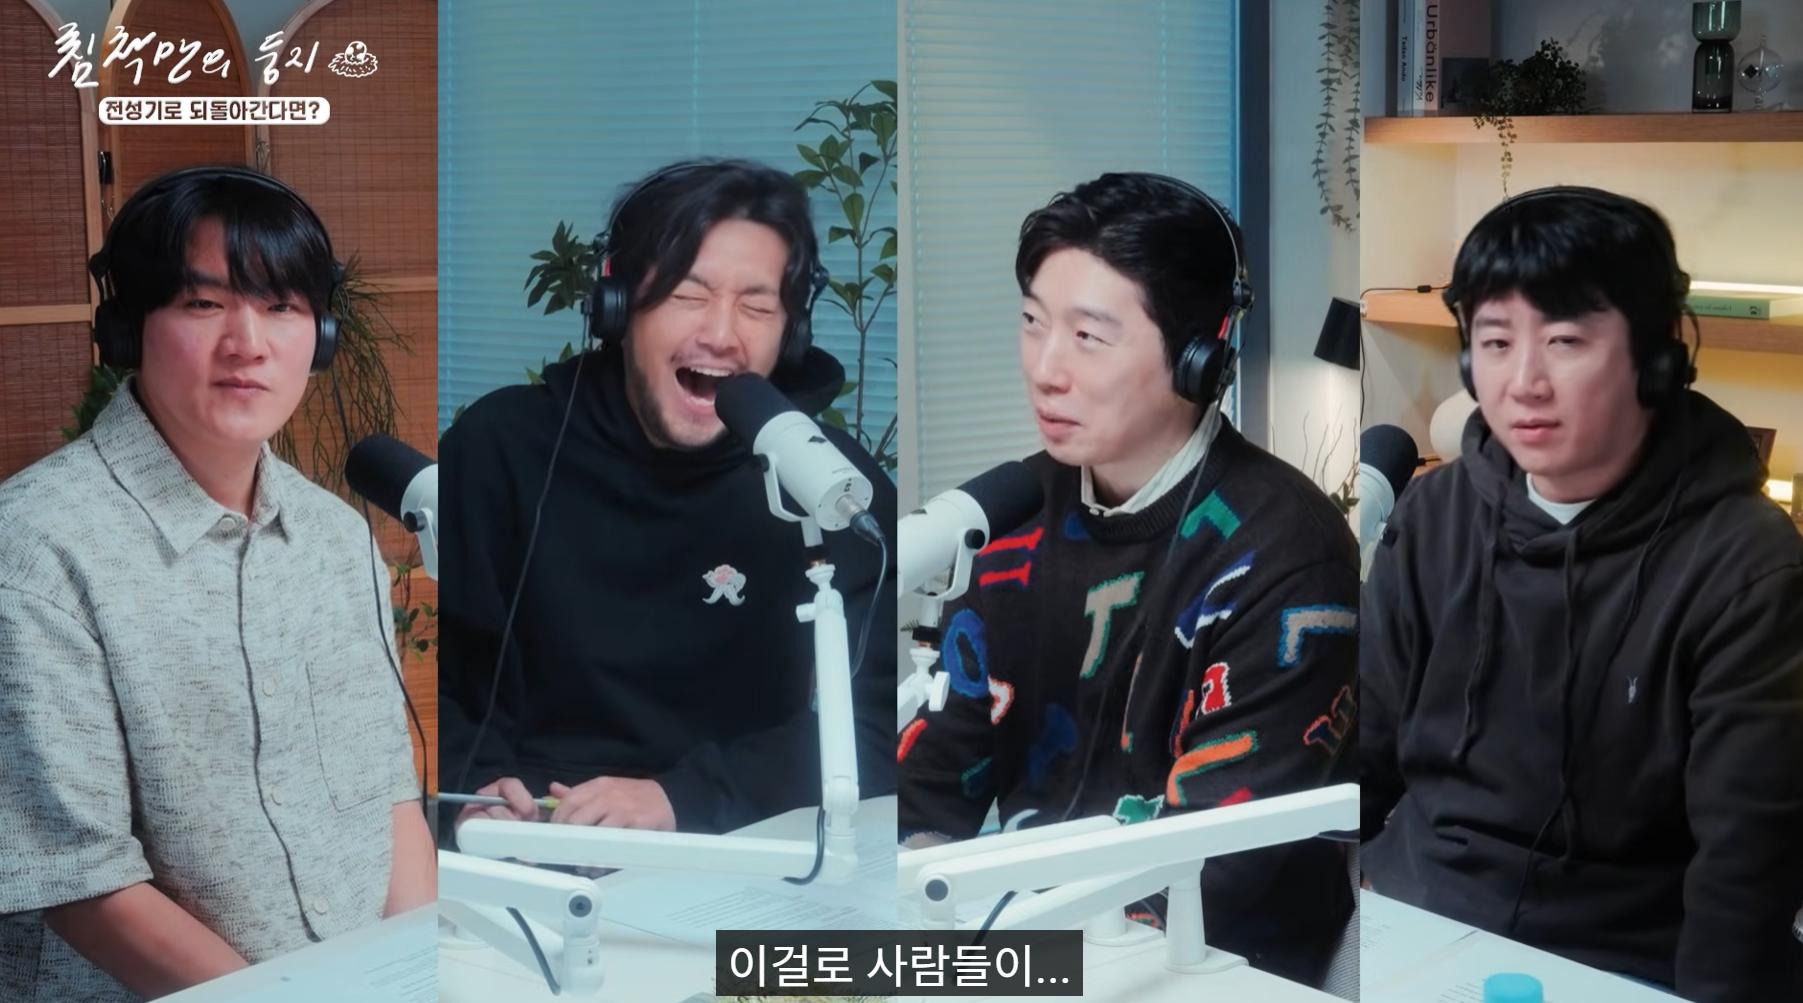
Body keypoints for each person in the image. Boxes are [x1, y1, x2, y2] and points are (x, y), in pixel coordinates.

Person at [896, 172, 1359, 986]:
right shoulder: (1009, 514)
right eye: (1032, 323)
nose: (1045, 368)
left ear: (1198, 356)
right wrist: (914, 910)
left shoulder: (1287, 550)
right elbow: (932, 783)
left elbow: (1215, 866)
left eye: (1088, 336)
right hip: (1027, 932)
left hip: (1212, 961)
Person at [0, 166, 433, 1002]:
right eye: (203, 304)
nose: (249, 343)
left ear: (321, 336)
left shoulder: (337, 537)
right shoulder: (36, 550)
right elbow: (81, 878)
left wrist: (417, 971)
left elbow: (387, 795)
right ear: (128, 329)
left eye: (282, 307)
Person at [1360, 186, 1803, 1001]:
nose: (1523, 382)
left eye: (1564, 340)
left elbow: (1746, 864)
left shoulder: (1746, 562)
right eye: (1495, 341)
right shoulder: (1434, 514)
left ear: (1656, 356)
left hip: (1627, 958)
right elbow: (1363, 752)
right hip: (1412, 916)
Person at [438, 158, 896, 840]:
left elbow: (876, 728)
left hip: (737, 843)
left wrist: (682, 797)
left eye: (757, 306)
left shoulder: (831, 486)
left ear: (791, 330)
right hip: (530, 841)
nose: (721, 334)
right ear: (617, 305)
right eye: (688, 294)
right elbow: (444, 682)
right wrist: (474, 790)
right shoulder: (499, 450)